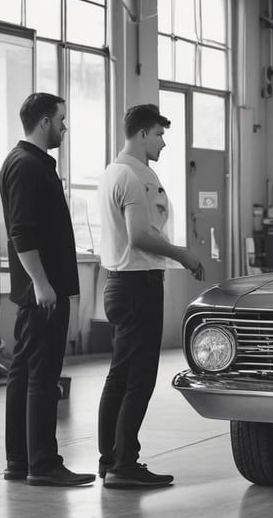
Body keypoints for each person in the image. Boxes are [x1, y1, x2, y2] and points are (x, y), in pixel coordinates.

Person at [97, 104, 204, 488]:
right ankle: (123, 464)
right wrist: (185, 256)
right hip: (138, 283)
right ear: (142, 133)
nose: (163, 142)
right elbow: (140, 235)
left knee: (119, 375)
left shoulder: (117, 172)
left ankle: (111, 458)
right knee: (138, 378)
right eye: (159, 134)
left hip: (120, 281)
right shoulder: (131, 175)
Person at [0, 93, 96, 486]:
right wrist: (42, 283)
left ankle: (19, 462)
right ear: (43, 122)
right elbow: (22, 232)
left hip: (41, 291)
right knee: (41, 376)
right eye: (61, 120)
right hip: (43, 293)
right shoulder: (26, 166)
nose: (64, 127)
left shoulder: (30, 163)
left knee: (23, 375)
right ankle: (42, 463)